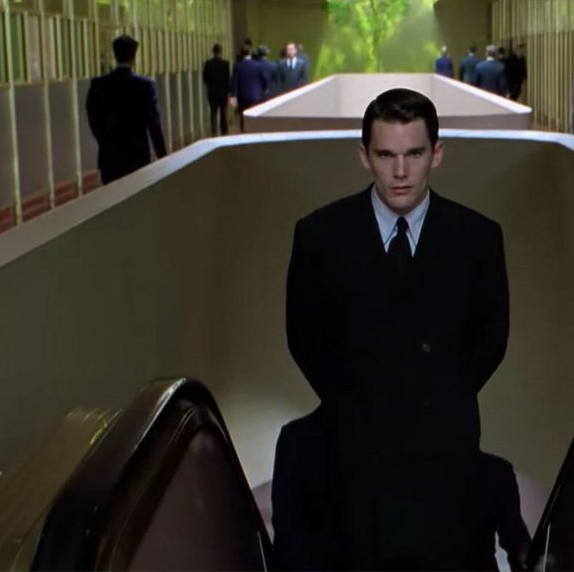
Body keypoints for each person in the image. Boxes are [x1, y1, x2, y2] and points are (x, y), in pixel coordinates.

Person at [275, 88, 510, 569]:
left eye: (413, 154)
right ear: (364, 156)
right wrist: (359, 405)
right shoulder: (319, 236)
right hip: (353, 459)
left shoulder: (478, 237)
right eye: (385, 155)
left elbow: (491, 340)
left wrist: (437, 400)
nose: (400, 171)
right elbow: (304, 337)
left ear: (436, 154)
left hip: (444, 456)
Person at [85, 35, 167, 184]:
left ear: (115, 55)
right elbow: (154, 123)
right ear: (134, 57)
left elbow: (93, 118)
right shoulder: (145, 86)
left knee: (112, 195)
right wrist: (163, 156)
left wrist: (104, 141)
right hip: (137, 155)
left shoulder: (98, 85)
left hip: (110, 156)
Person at [231, 44, 271, 131]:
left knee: (243, 114)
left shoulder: (237, 66)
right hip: (256, 95)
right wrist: (265, 89)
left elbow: (234, 82)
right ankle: (254, 129)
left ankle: (244, 130)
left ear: (241, 53)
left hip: (242, 96)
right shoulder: (258, 65)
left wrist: (233, 95)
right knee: (254, 114)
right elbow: (264, 80)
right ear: (250, 52)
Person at [202, 43, 231, 136]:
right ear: (221, 52)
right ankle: (224, 131)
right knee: (223, 112)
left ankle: (214, 131)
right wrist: (228, 91)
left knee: (213, 113)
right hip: (223, 93)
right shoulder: (225, 64)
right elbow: (228, 78)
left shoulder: (208, 64)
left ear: (213, 52)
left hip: (213, 92)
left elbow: (205, 78)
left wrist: (210, 86)